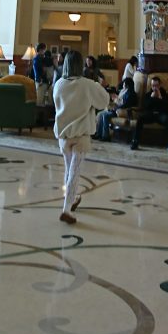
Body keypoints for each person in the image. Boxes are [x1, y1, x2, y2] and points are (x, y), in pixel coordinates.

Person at [53, 49, 110, 224]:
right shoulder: (87, 84)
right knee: (75, 172)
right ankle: (66, 210)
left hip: (63, 136)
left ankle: (74, 197)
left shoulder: (59, 84)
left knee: (69, 170)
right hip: (81, 136)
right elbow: (104, 101)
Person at [130, 76, 168, 152]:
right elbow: (145, 107)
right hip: (150, 115)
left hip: (161, 115)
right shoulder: (148, 95)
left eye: (156, 85)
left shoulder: (165, 95)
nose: (154, 88)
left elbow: (166, 107)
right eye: (153, 86)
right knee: (140, 118)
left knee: (167, 119)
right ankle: (135, 141)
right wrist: (152, 98)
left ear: (160, 85)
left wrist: (159, 96)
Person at [95, 76, 138, 141]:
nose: (123, 85)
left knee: (105, 115)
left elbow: (125, 105)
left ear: (127, 85)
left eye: (124, 83)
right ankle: (99, 134)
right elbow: (121, 102)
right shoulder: (125, 92)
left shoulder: (131, 94)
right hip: (118, 110)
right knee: (101, 114)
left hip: (123, 112)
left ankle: (105, 136)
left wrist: (114, 108)